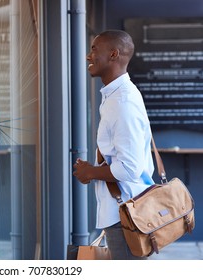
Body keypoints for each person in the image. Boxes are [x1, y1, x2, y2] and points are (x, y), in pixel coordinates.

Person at [73, 30, 155, 260]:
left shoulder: (122, 102)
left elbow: (130, 168)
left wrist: (91, 172)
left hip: (126, 219)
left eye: (93, 49)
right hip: (125, 213)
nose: (88, 56)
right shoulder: (116, 95)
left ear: (113, 54)